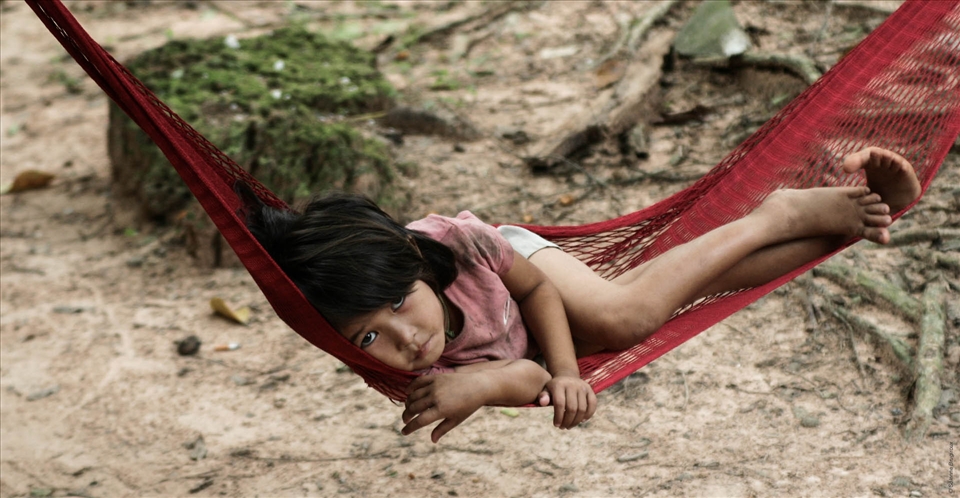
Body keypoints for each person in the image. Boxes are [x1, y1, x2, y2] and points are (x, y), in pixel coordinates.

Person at [243, 147, 921, 443]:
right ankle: (848, 223)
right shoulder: (422, 369)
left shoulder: (453, 241)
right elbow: (523, 378)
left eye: (398, 305)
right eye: (368, 338)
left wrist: (568, 372)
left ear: (413, 264)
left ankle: (773, 216)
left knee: (625, 314)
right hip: (524, 344)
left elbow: (534, 289)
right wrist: (480, 387)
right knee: (701, 287)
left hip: (522, 277)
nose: (404, 339)